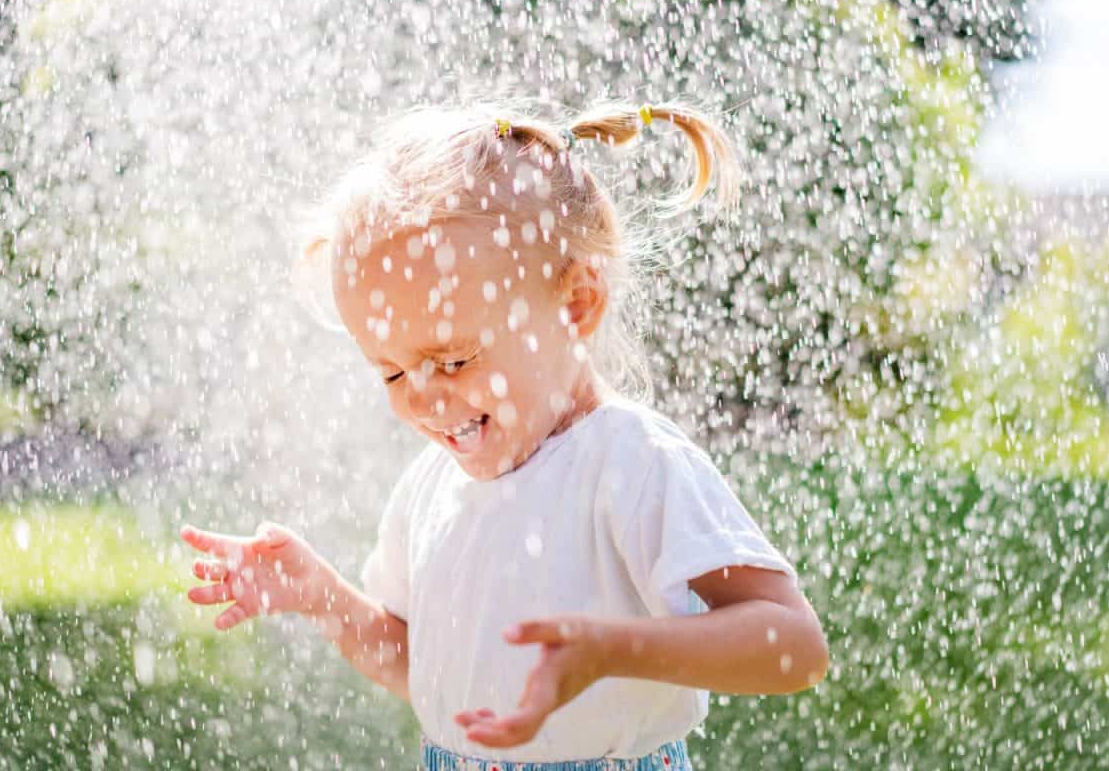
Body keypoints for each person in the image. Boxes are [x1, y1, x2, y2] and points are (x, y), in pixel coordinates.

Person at [181, 100, 829, 770]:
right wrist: (322, 596)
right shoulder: (430, 486)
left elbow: (795, 647)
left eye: (455, 360)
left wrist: (615, 651)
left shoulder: (629, 463)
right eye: (394, 373)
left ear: (577, 304)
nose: (426, 399)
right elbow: (421, 672)